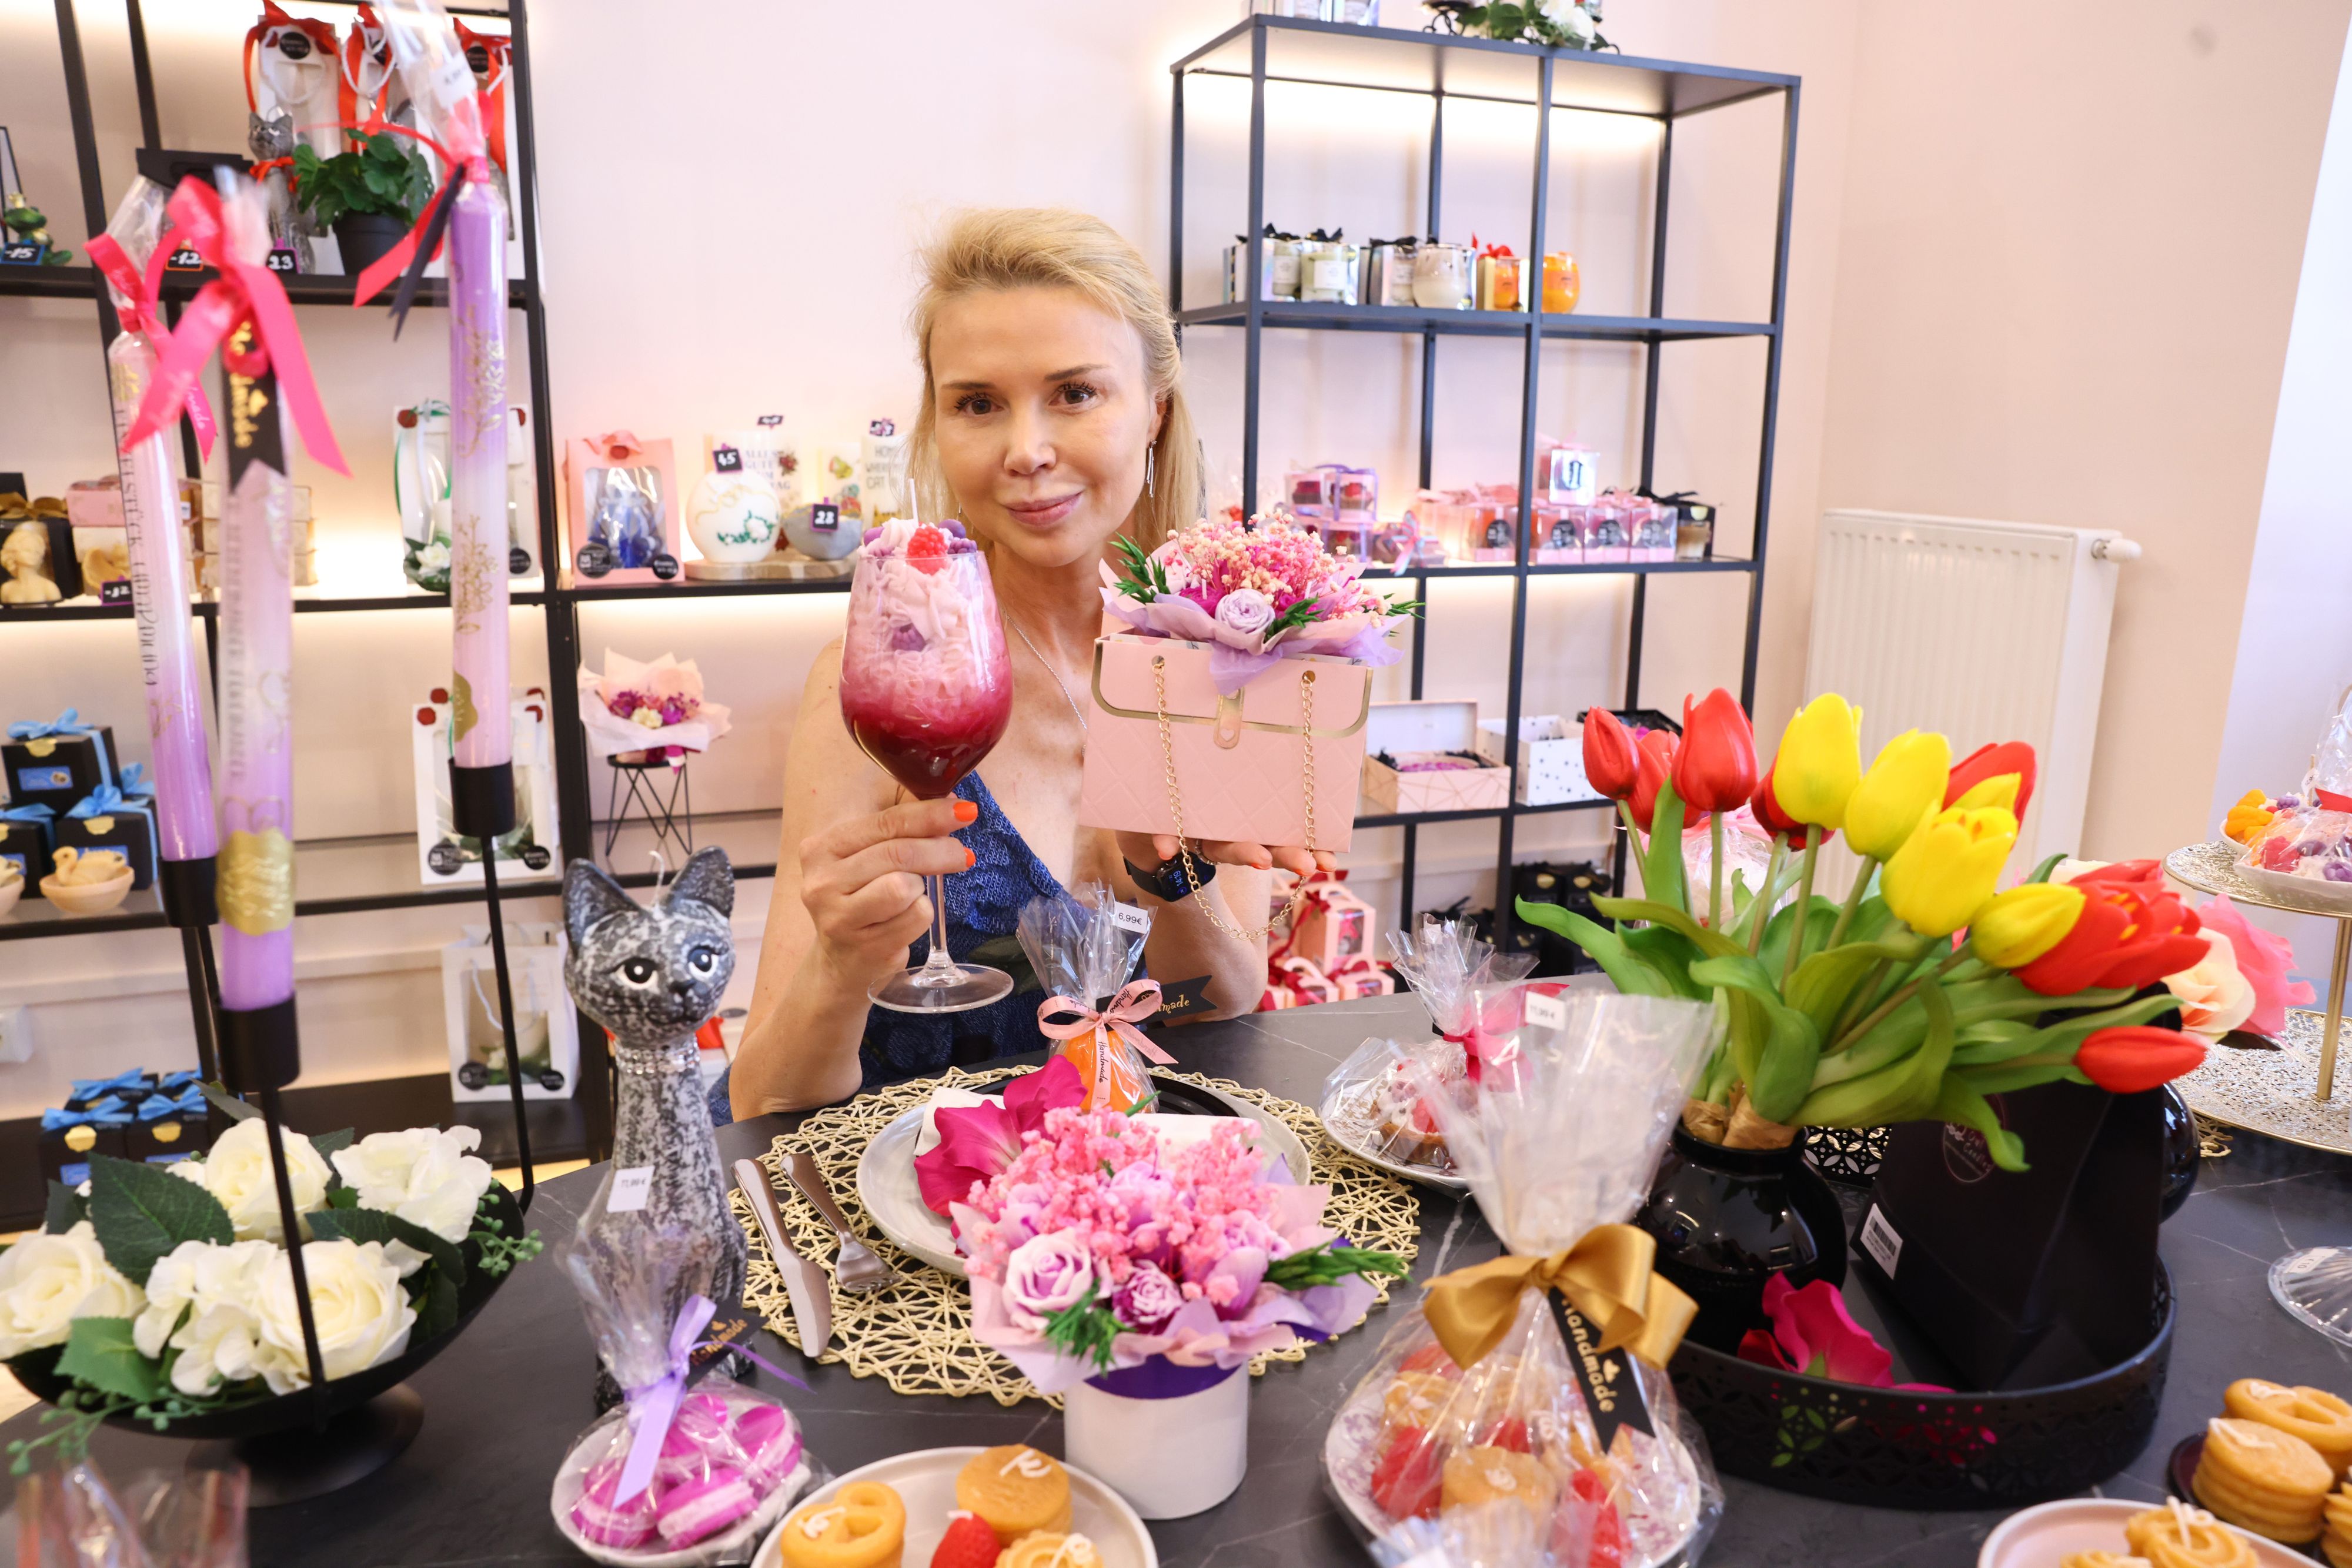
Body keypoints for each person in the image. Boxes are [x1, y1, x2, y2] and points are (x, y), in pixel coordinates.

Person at [721, 209, 1334, 1122]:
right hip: (911, 1206)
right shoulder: (890, 675)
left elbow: (1224, 1000)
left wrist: (1163, 870)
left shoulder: (1229, 651)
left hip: (1140, 1192)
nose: (1026, 451)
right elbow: (761, 1094)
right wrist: (842, 969)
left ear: (1156, 409)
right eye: (978, 404)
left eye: (1076, 393)